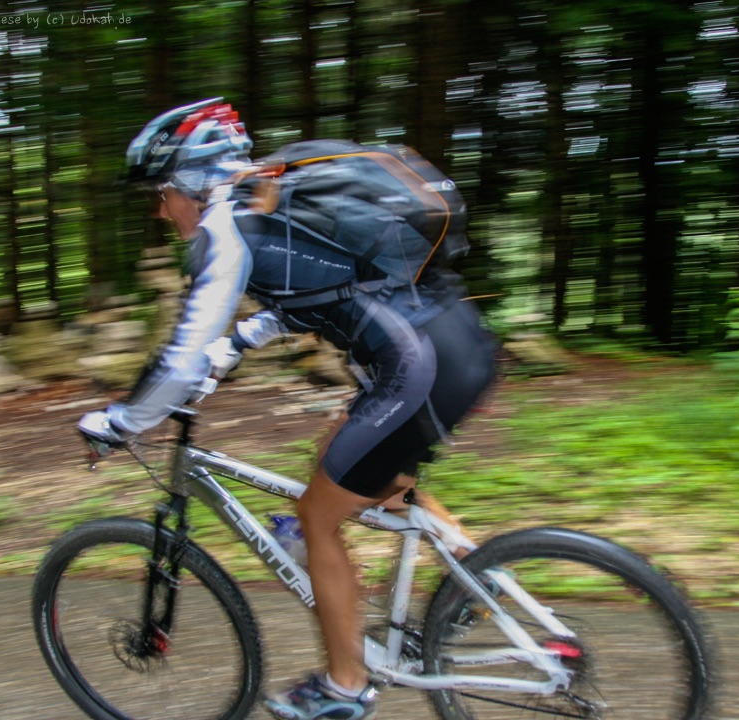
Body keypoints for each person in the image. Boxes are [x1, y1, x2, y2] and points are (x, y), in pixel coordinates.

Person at [78, 98, 497, 720]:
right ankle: (473, 570)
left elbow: (179, 358)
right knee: (345, 462)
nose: (159, 208)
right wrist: (238, 345)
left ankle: (345, 687)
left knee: (315, 516)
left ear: (191, 183)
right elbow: (320, 286)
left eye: (162, 192)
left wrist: (123, 421)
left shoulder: (226, 228)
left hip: (422, 369)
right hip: (458, 343)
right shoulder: (266, 197)